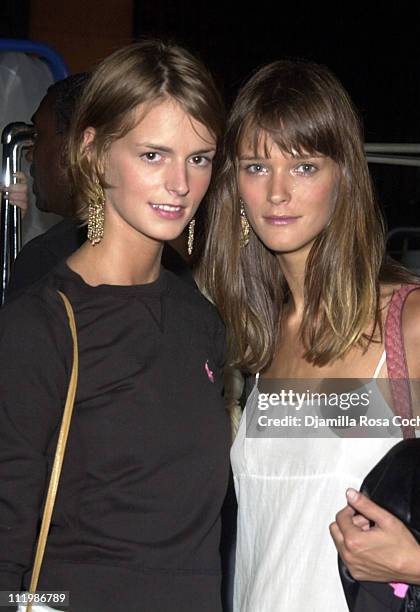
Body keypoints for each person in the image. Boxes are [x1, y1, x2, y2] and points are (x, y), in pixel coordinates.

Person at [200, 60, 420, 611]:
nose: (278, 192)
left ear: (344, 177)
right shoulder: (262, 337)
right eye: (256, 167)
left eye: (305, 166)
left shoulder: (416, 326)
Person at [0, 39, 229, 612]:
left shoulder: (201, 321)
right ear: (96, 152)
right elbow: (7, 560)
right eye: (154, 155)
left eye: (199, 158)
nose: (181, 184)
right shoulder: (41, 325)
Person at [5, 73, 191, 301]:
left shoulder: (45, 260)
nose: (31, 153)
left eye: (38, 135)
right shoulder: (165, 260)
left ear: (75, 148)